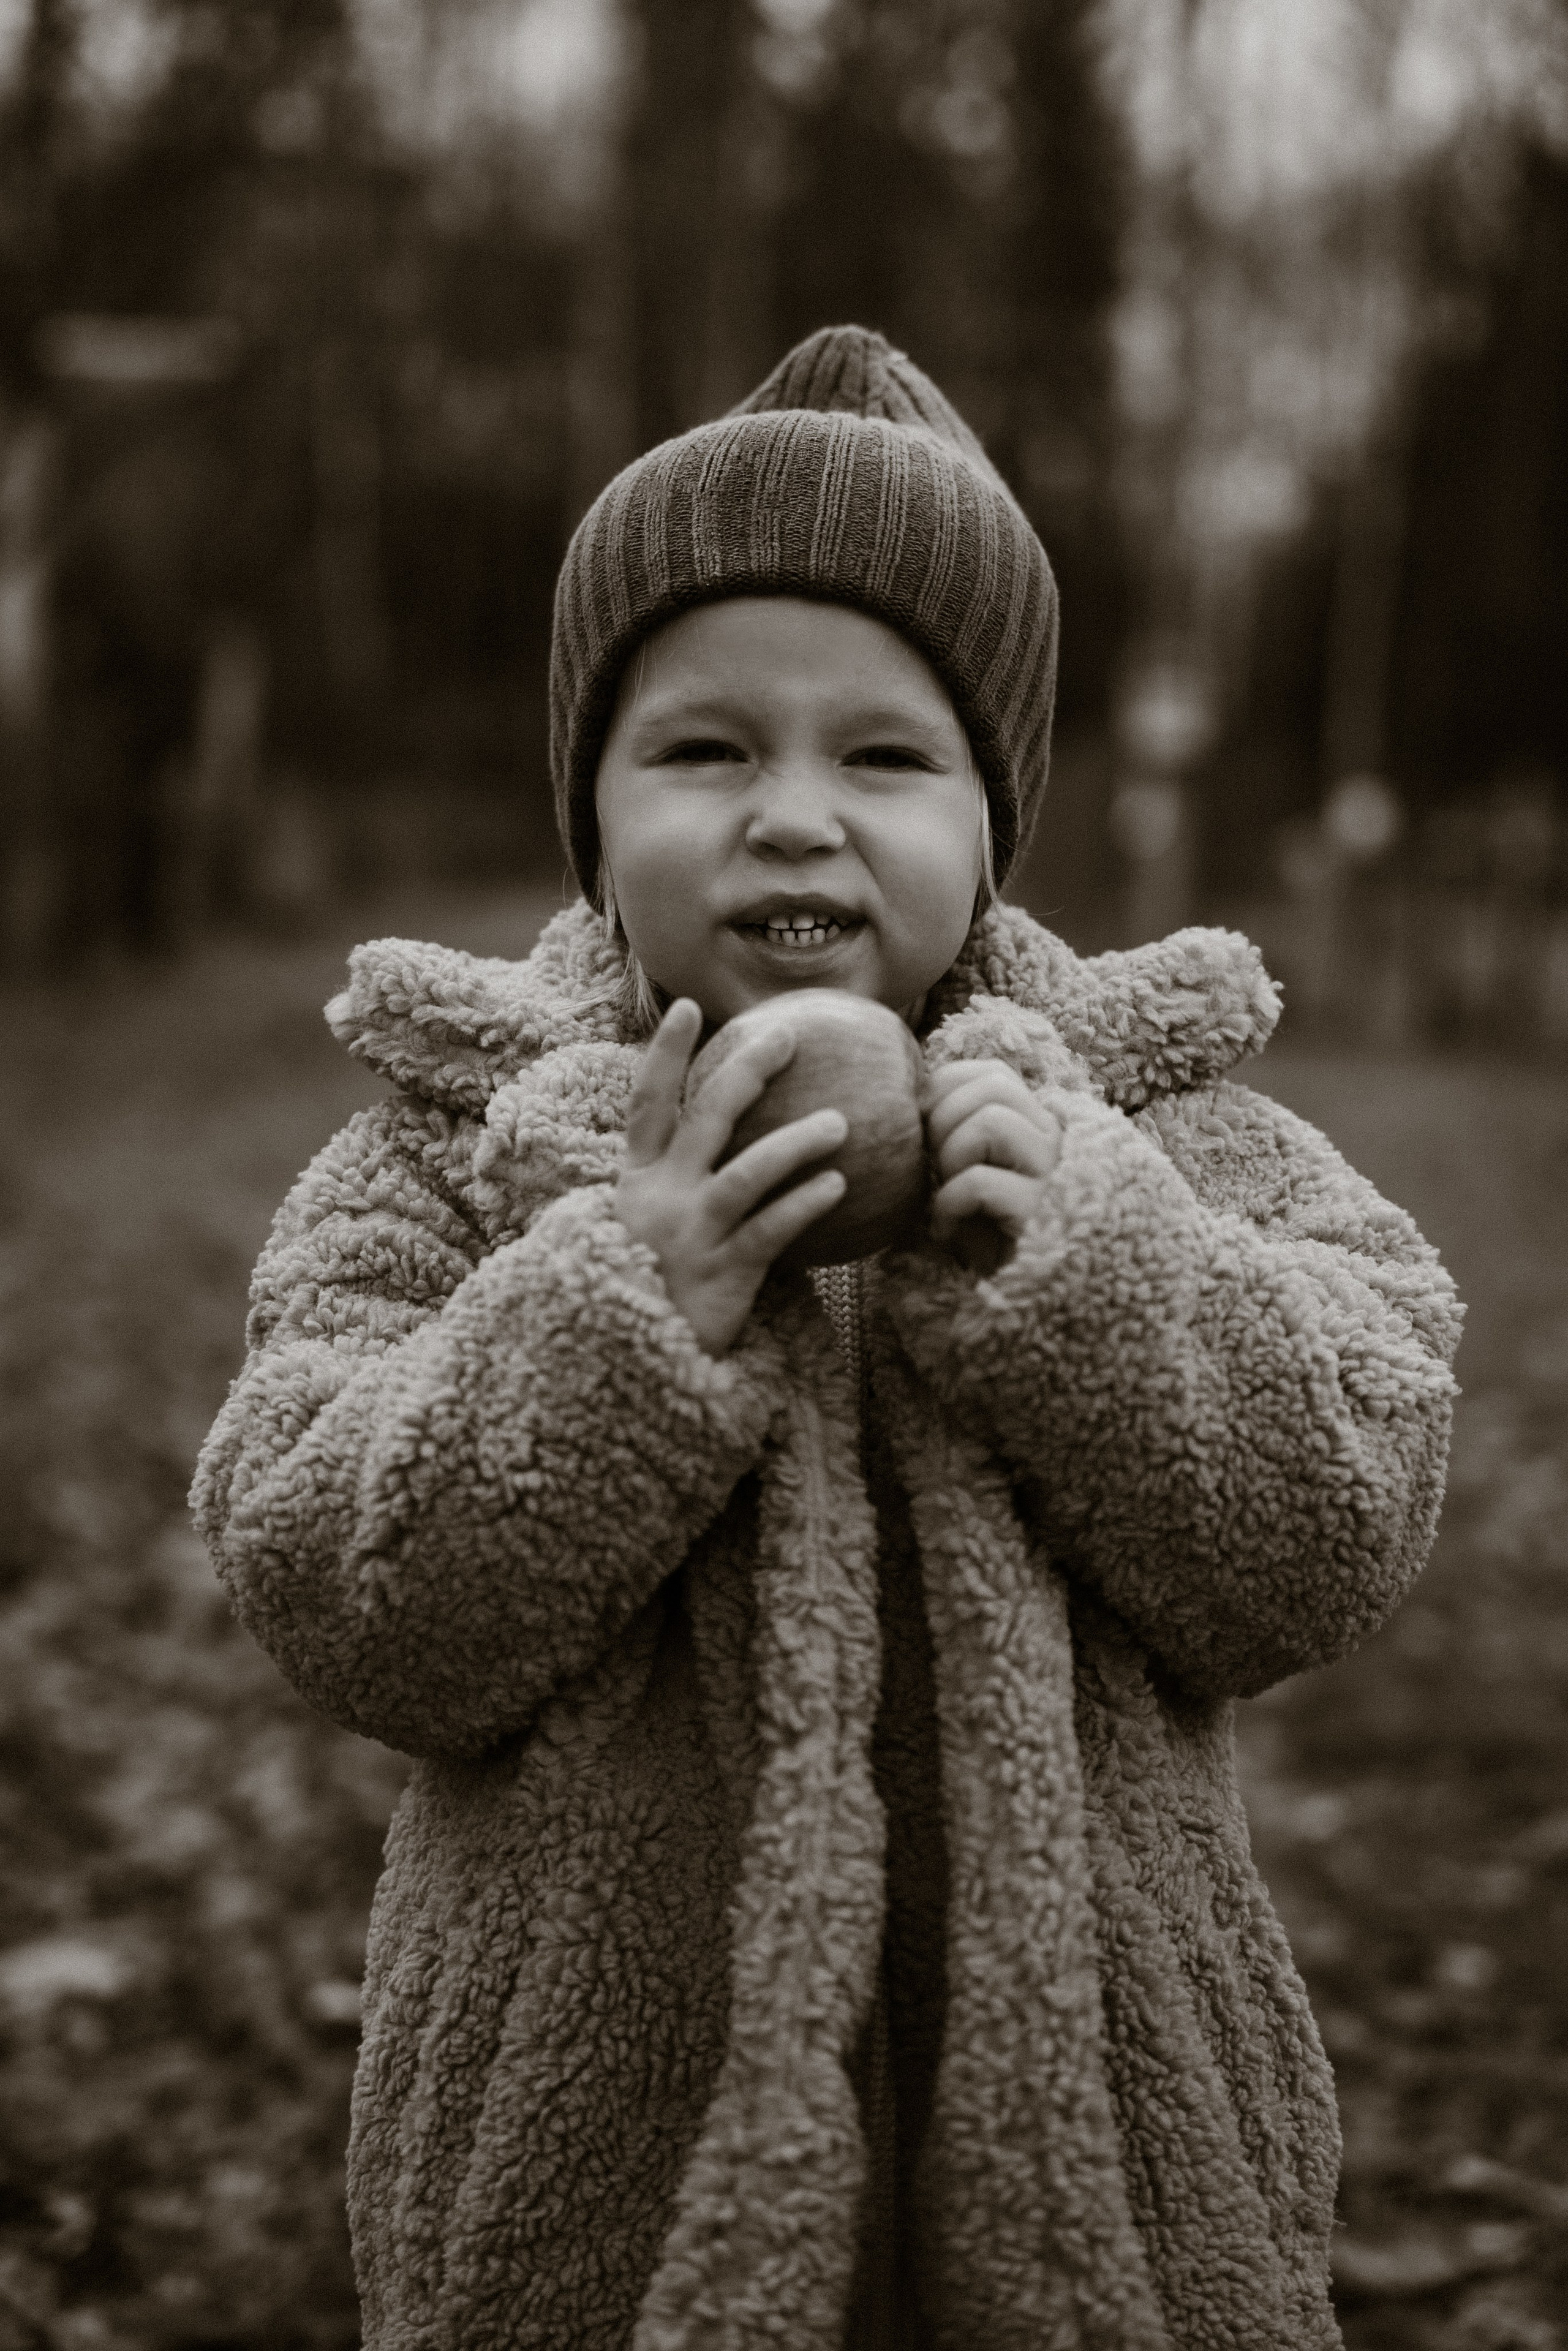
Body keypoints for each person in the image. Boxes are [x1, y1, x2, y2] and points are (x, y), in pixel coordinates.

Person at [191, 326, 1461, 2351]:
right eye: (704, 751)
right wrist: (614, 1313)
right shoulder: (453, 1154)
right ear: (591, 817)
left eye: (884, 757)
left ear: (993, 821)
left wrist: (1101, 1271)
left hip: (1107, 2167)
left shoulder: (1157, 1136)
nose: (795, 818)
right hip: (597, 2207)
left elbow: (1338, 1524)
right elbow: (329, 1586)